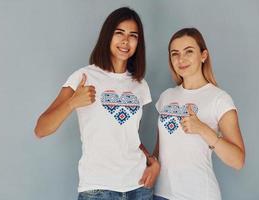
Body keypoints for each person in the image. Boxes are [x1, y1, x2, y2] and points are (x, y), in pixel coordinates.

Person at [34, 7, 160, 200]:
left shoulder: (140, 85)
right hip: (98, 188)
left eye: (133, 35)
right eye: (119, 33)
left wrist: (153, 161)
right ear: (107, 36)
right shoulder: (83, 76)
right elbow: (41, 129)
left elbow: (127, 136)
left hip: (139, 187)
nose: (126, 40)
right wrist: (72, 103)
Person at [152, 28, 245, 200]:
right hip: (161, 194)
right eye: (175, 54)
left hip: (198, 194)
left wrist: (203, 129)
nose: (181, 59)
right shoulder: (166, 97)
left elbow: (238, 160)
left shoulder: (219, 99)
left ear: (203, 55)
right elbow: (160, 150)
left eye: (189, 51)